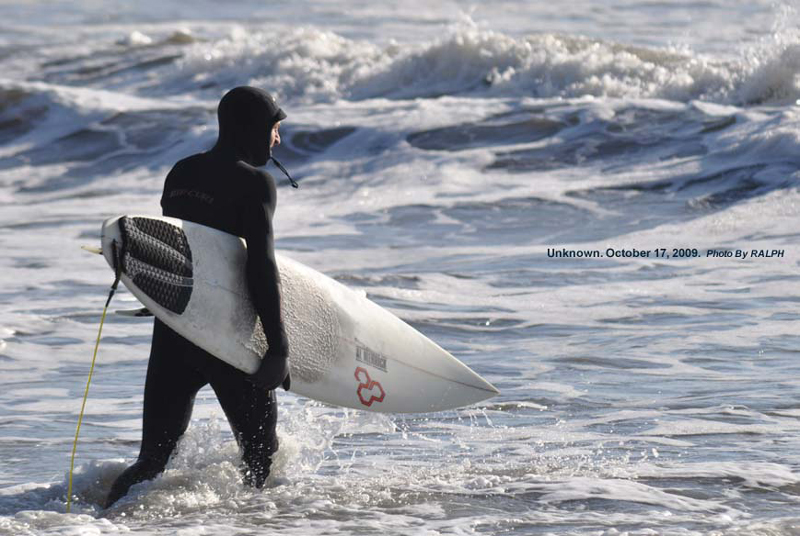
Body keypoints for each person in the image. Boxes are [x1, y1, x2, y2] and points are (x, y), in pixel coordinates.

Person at [105, 86, 295, 508]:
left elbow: (176, 250)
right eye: (273, 127)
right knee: (260, 458)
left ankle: (97, 524)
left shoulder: (182, 172)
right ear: (252, 129)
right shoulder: (256, 183)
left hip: (175, 331)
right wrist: (278, 348)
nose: (277, 138)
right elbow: (260, 267)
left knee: (151, 461)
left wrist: (153, 298)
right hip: (228, 335)